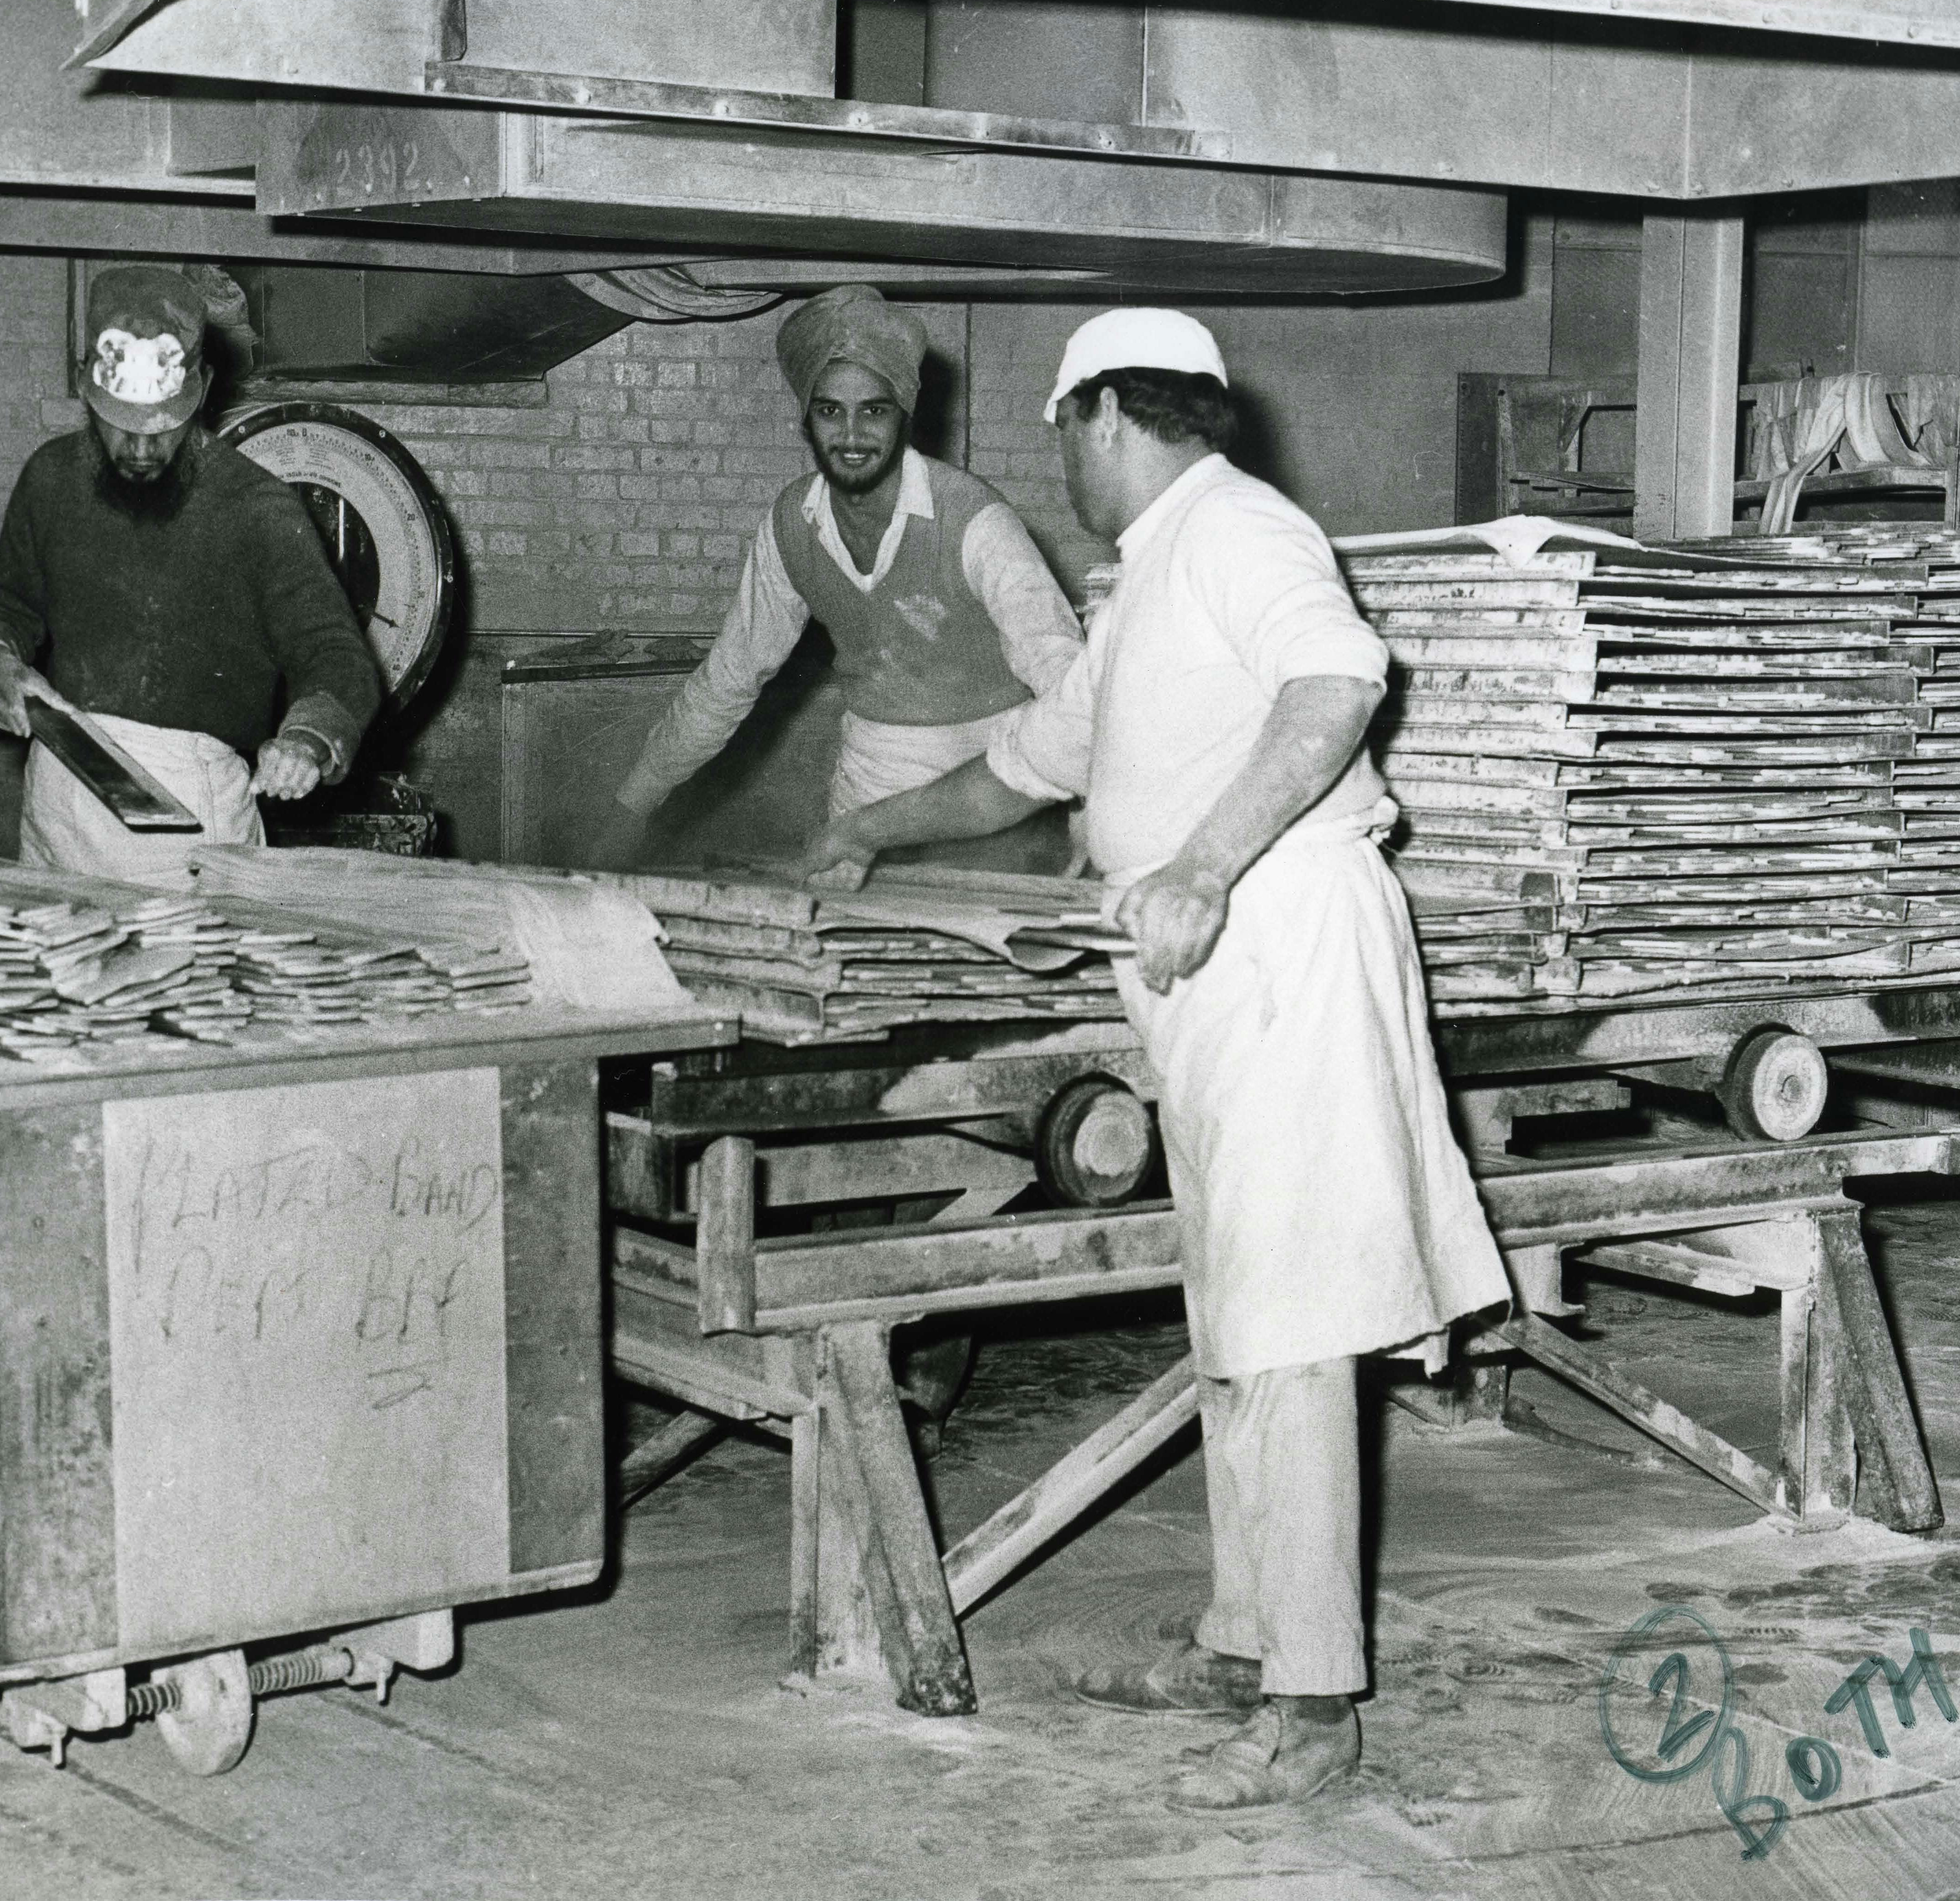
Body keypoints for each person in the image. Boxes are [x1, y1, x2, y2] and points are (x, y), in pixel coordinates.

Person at [800, 308, 1509, 1811]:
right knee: (1239, 1321)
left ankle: (1312, 1713)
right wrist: (870, 825)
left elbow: (1337, 683)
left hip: (1282, 954)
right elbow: (1031, 762)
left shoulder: (1242, 530)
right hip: (1210, 983)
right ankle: (1247, 1647)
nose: (1059, 462)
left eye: (1062, 432)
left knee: (1293, 1326)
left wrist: (1194, 866)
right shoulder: (1150, 579)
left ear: (1105, 414)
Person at [597, 285, 1082, 867]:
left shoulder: (977, 522)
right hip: (875, 767)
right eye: (831, 411)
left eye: (873, 410)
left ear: (904, 416)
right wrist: (633, 808)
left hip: (995, 768)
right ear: (806, 420)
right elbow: (729, 678)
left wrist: (1089, 818)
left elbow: (1064, 679)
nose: (851, 435)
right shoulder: (790, 527)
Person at [0, 265, 381, 888]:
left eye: (162, 426)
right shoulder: (50, 479)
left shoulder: (256, 510)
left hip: (188, 811)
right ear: (85, 385)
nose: (140, 448)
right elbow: (4, 598)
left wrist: (307, 741)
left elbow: (336, 656)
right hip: (58, 795)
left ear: (203, 388)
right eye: (121, 424)